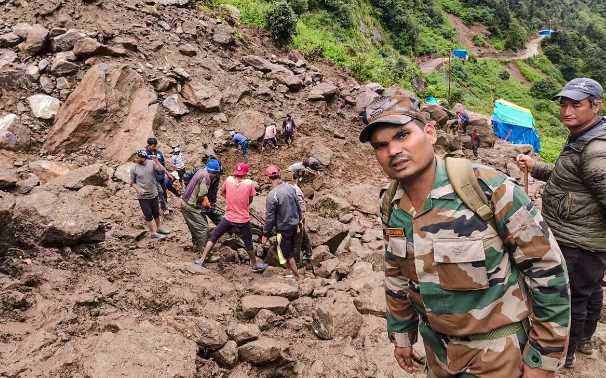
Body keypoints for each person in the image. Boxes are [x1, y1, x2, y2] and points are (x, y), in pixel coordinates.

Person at [359, 94, 570, 377]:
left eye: (403, 135)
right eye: (381, 146)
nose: (394, 150)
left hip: (497, 357)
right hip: (437, 353)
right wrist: (402, 335)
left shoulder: (488, 189)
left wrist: (542, 360)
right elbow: (397, 273)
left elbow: (548, 270)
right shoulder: (391, 204)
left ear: (431, 133)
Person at [516, 77, 606, 368]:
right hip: (584, 239)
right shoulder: (584, 137)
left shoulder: (595, 148)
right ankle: (585, 341)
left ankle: (566, 354)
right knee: (589, 291)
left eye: (576, 105)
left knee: (573, 297)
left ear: (596, 106)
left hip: (579, 241)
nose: (567, 110)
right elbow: (570, 177)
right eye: (564, 104)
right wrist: (535, 167)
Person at [196, 162, 267, 272]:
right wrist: (242, 204)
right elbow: (250, 200)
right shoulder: (249, 183)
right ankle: (254, 265)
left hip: (228, 217)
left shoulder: (228, 180)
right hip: (243, 218)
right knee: (248, 241)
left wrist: (230, 200)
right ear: (245, 173)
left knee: (214, 236)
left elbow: (222, 193)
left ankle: (202, 259)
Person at [261, 165, 303, 285]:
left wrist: (265, 233)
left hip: (283, 228)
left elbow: (270, 218)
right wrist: (300, 219)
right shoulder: (290, 188)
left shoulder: (272, 195)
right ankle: (292, 272)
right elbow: (298, 205)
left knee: (286, 253)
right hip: (294, 224)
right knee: (290, 250)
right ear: (279, 174)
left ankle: (297, 277)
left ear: (269, 179)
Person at [180, 158, 222, 258]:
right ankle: (206, 255)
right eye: (215, 174)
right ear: (215, 172)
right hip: (191, 206)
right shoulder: (207, 177)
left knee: (194, 226)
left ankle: (196, 246)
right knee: (203, 229)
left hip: (185, 203)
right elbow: (202, 194)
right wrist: (204, 202)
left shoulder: (200, 171)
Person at [130, 149, 171, 239]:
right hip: (143, 197)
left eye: (139, 157)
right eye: (137, 157)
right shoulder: (134, 168)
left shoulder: (151, 163)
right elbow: (132, 183)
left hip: (154, 193)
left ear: (144, 158)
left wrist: (156, 161)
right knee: (148, 215)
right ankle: (152, 233)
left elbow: (161, 170)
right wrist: (138, 189)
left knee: (156, 212)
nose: (137, 159)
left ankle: (159, 228)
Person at [146, 137, 170, 212]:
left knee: (163, 190)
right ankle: (160, 207)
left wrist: (166, 173)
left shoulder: (159, 153)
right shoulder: (145, 154)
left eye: (155, 146)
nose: (154, 147)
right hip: (153, 177)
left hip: (161, 176)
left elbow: (163, 164)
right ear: (149, 145)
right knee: (157, 192)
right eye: (153, 146)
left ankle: (165, 203)